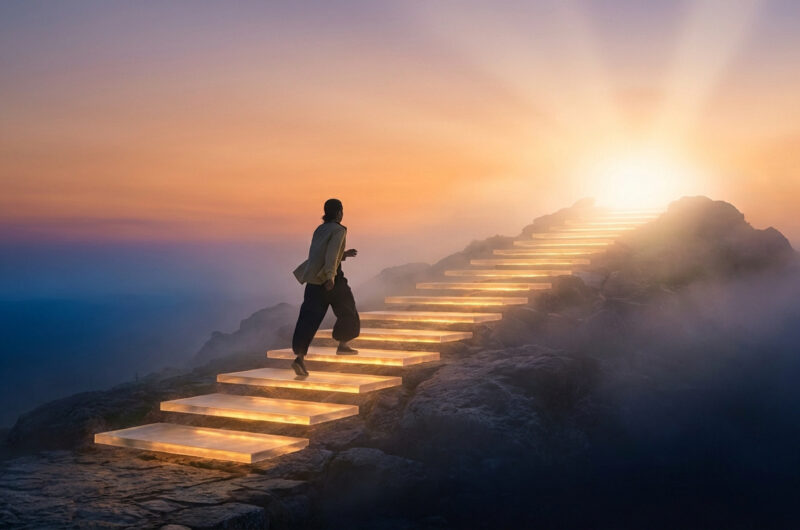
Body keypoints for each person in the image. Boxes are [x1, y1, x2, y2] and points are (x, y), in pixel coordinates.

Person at [290, 198, 360, 376]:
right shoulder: (339, 230)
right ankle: (343, 345)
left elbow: (320, 253)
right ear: (339, 213)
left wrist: (343, 254)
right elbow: (330, 255)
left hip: (313, 281)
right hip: (331, 279)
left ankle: (299, 358)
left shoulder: (320, 229)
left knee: (308, 319)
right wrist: (330, 277)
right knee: (348, 309)